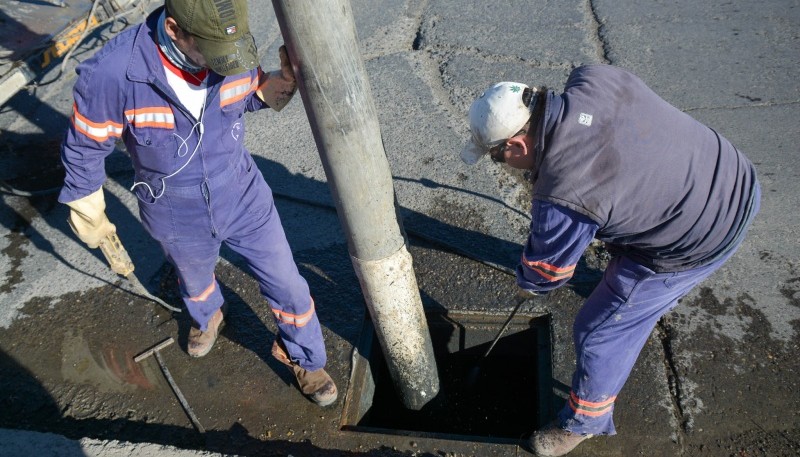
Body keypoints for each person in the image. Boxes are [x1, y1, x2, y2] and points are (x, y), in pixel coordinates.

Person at [460, 64, 760, 456]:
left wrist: (528, 280)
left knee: (598, 330)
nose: (503, 164)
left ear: (516, 147)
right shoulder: (593, 80)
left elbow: (546, 276)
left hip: (701, 236)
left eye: (497, 158)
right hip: (733, 173)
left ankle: (583, 422)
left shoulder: (563, 194)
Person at [59, 0, 338, 407]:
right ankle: (209, 318)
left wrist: (284, 81)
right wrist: (87, 206)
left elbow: (253, 96)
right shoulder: (114, 72)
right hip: (173, 209)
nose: (222, 64)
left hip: (241, 194)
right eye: (210, 53)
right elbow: (84, 147)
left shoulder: (229, 45)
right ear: (173, 30)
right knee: (194, 279)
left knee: (288, 284)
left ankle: (306, 357)